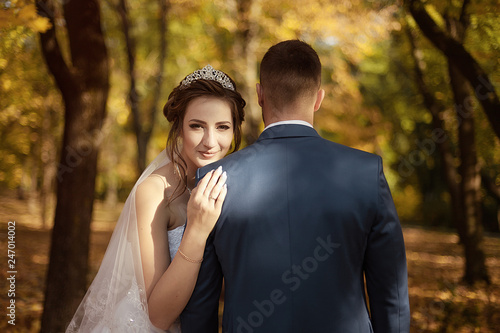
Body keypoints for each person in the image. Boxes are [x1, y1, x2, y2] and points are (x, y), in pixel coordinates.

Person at [181, 40, 410, 332]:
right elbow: (390, 294)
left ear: (260, 95)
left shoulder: (215, 179)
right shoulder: (366, 172)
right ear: (318, 98)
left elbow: (200, 305)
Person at [66, 65, 245, 332]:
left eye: (222, 127)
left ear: (234, 131)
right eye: (197, 126)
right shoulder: (154, 192)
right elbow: (157, 316)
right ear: (179, 127)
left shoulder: (234, 185)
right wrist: (196, 229)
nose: (210, 141)